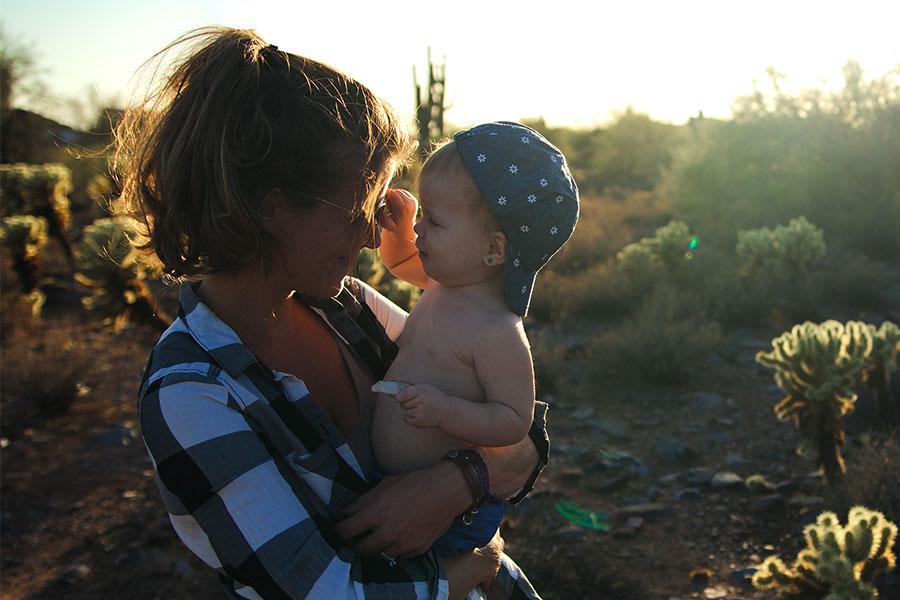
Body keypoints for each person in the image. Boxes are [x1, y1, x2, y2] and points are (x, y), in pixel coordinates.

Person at [121, 27, 549, 600]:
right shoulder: (193, 395)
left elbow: (521, 438)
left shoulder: (348, 309)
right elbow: (319, 589)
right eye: (358, 207)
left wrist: (454, 485)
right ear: (274, 210)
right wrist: (465, 571)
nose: (375, 236)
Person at [371, 122, 579, 556]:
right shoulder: (443, 282)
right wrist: (399, 229)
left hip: (448, 519)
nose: (421, 231)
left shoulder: (496, 332)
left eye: (436, 221)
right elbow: (401, 261)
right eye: (423, 216)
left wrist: (447, 411)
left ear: (495, 249)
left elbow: (512, 421)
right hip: (396, 489)